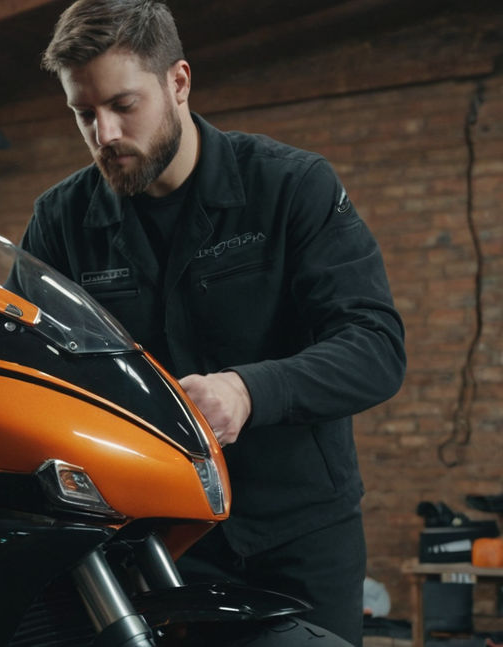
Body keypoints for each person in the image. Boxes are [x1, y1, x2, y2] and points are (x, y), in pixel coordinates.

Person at [20, 1, 406, 644]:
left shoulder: (291, 187)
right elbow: (30, 365)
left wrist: (249, 390)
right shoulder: (60, 222)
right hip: (155, 541)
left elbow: (375, 346)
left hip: (300, 535)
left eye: (123, 104)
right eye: (83, 114)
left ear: (178, 82)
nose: (105, 134)